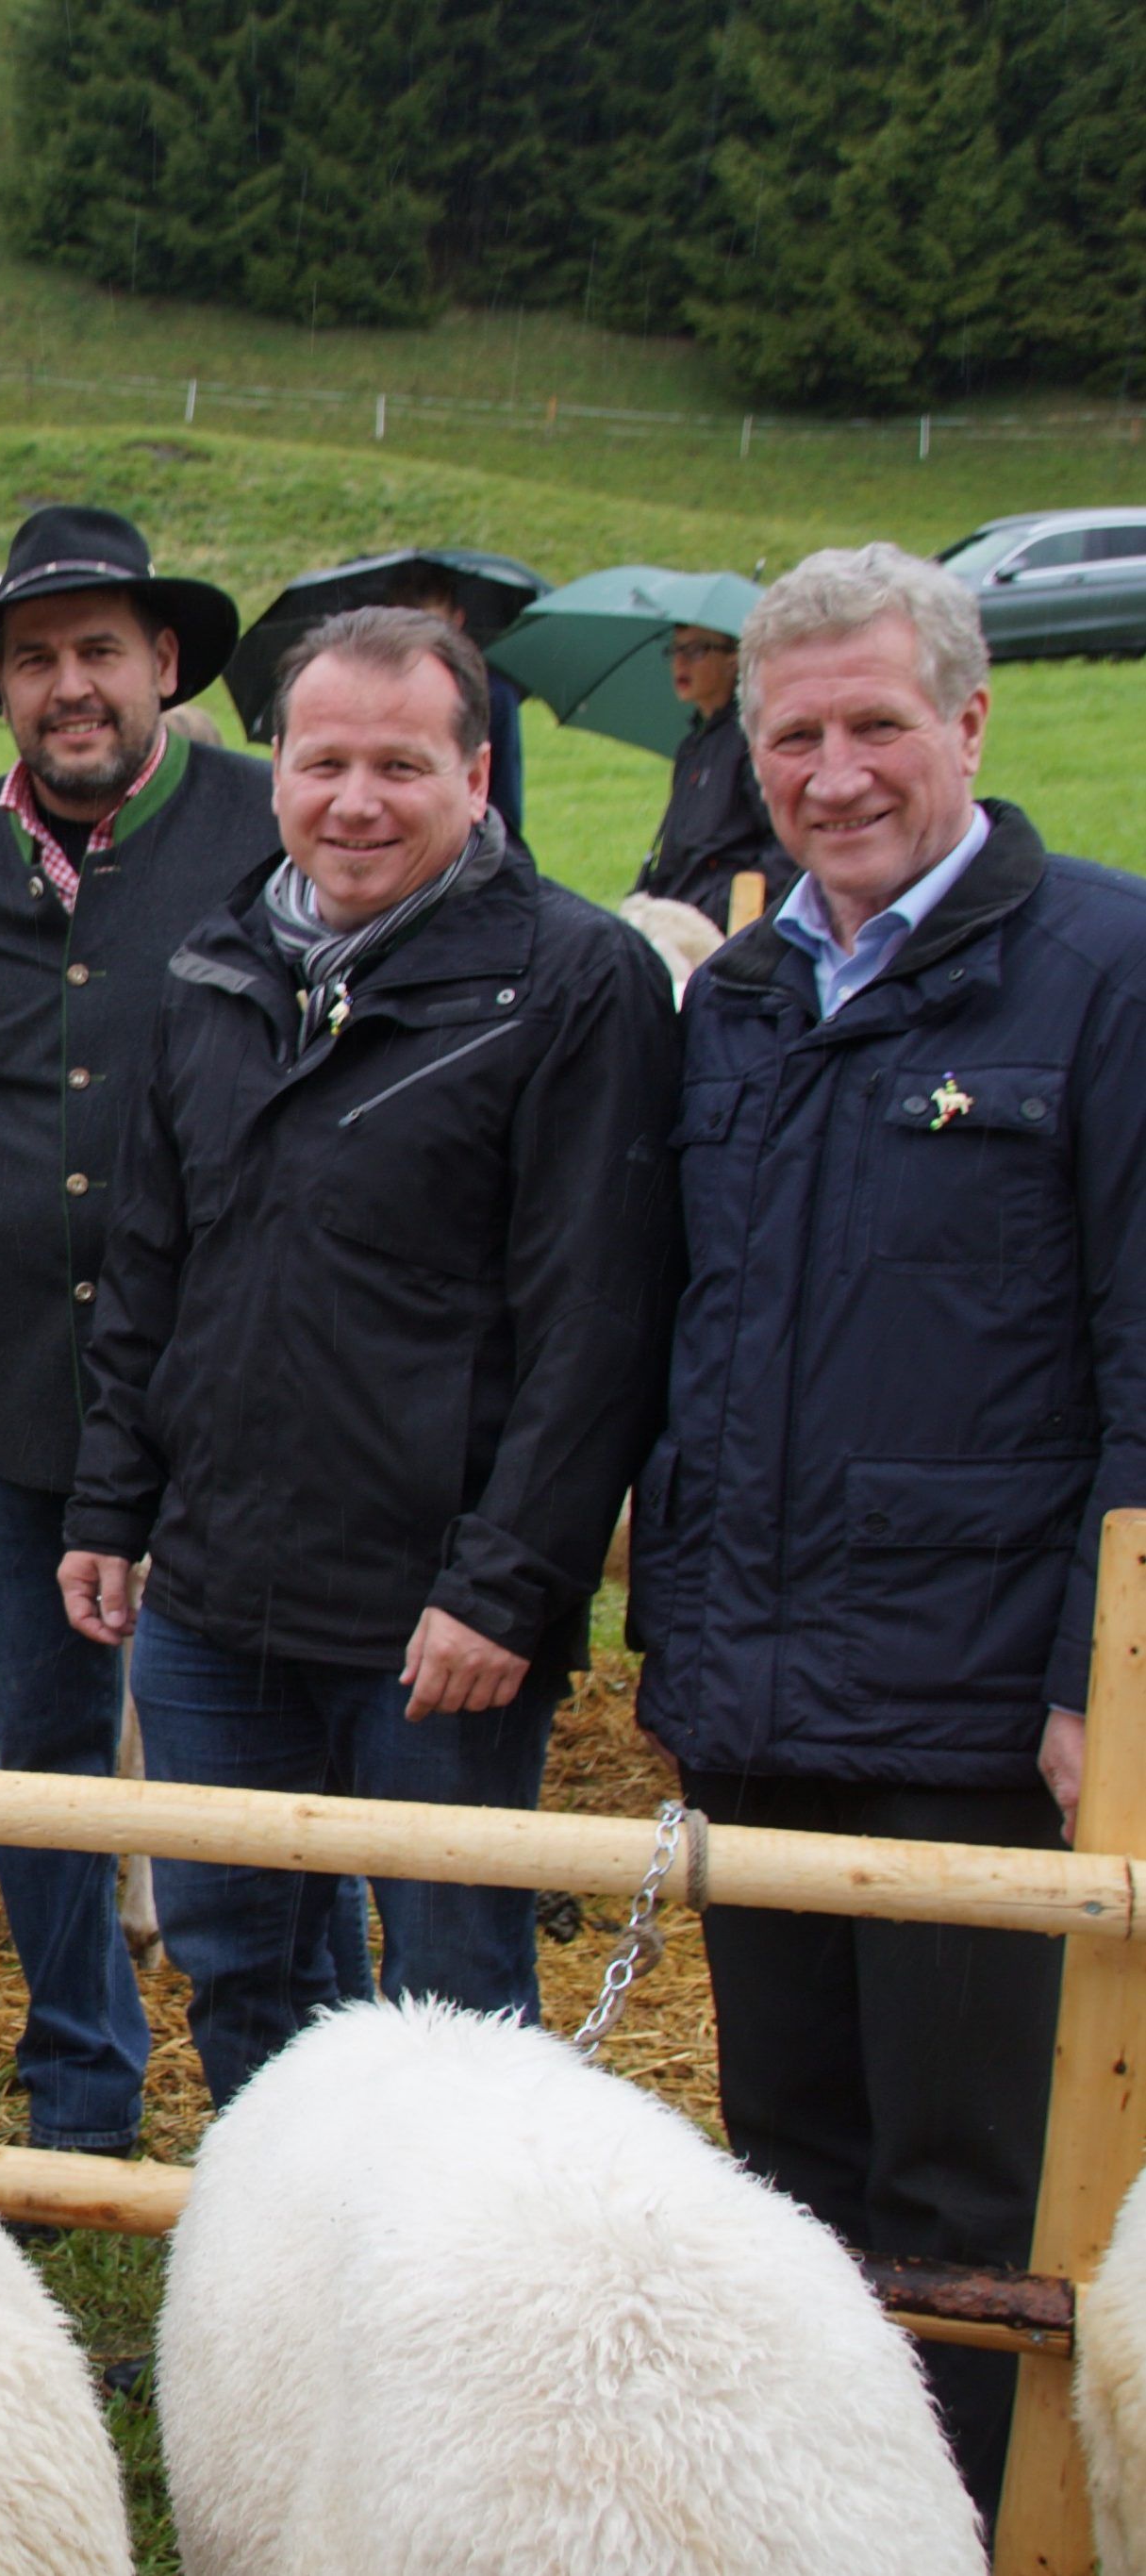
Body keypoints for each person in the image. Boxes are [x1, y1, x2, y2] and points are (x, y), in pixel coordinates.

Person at [627, 542, 1146, 2521]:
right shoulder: (744, 996)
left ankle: (970, 2530)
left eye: (870, 725)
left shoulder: (1096, 977)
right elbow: (697, 1325)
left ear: (966, 722)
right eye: (789, 735)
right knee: (787, 2171)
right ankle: (815, 2534)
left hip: (973, 1712)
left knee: (965, 2184)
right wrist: (676, 1621)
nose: (831, 773)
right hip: (758, 1696)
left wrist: (1093, 1689)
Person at [58, 606, 680, 2107]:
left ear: (476, 773)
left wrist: (506, 1583)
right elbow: (154, 1259)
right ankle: (283, 2310)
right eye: (321, 759)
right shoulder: (218, 967)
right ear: (272, 768)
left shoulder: (569, 981)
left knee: (452, 1991)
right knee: (239, 1955)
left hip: (432, 1612)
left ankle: (457, 2321)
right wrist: (109, 1499)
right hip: (215, 1589)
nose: (354, 800)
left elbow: (598, 1318)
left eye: (399, 764)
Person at [0, 504, 264, 2157]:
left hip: (238, 1399)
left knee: (230, 1759)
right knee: (37, 1749)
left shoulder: (272, 830)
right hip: (21, 1396)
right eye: (34, 660)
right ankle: (78, 2090)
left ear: (164, 662)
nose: (70, 687)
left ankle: (271, 2105)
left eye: (100, 650)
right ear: (1, 690)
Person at [627, 617, 795, 931]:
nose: (680, 662)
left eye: (696, 650)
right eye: (675, 650)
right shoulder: (692, 747)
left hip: (725, 931)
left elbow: (786, 845)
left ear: (735, 659)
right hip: (676, 921)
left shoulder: (753, 742)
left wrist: (724, 907)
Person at [382, 561, 528, 841]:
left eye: (432, 629)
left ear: (457, 621)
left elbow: (505, 798)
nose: (420, 643)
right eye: (407, 629)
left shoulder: (492, 693)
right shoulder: (366, 692)